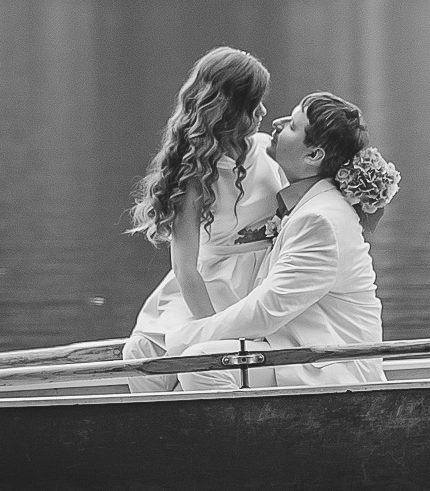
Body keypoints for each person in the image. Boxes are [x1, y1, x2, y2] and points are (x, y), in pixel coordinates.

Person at [148, 92, 396, 390]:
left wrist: (184, 337)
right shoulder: (305, 206)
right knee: (163, 354)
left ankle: (249, 436)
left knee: (201, 365)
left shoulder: (320, 220)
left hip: (331, 366)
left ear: (314, 155)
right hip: (293, 352)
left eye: (292, 125)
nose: (276, 123)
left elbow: (268, 309)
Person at [124, 47, 286, 359]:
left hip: (266, 279)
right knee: (150, 352)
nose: (264, 112)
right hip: (210, 285)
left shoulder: (269, 150)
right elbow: (185, 267)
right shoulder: (194, 176)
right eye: (254, 105)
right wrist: (211, 326)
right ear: (228, 109)